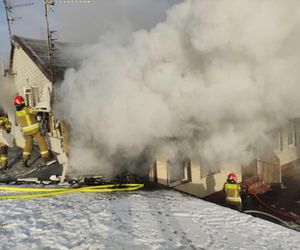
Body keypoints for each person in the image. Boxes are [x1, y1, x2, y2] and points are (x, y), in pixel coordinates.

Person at [13, 95, 50, 168]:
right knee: (41, 142)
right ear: (22, 102)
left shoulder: (17, 113)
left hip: (26, 132)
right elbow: (36, 112)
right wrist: (41, 112)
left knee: (28, 145)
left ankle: (25, 159)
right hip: (35, 130)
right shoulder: (27, 109)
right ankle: (45, 158)